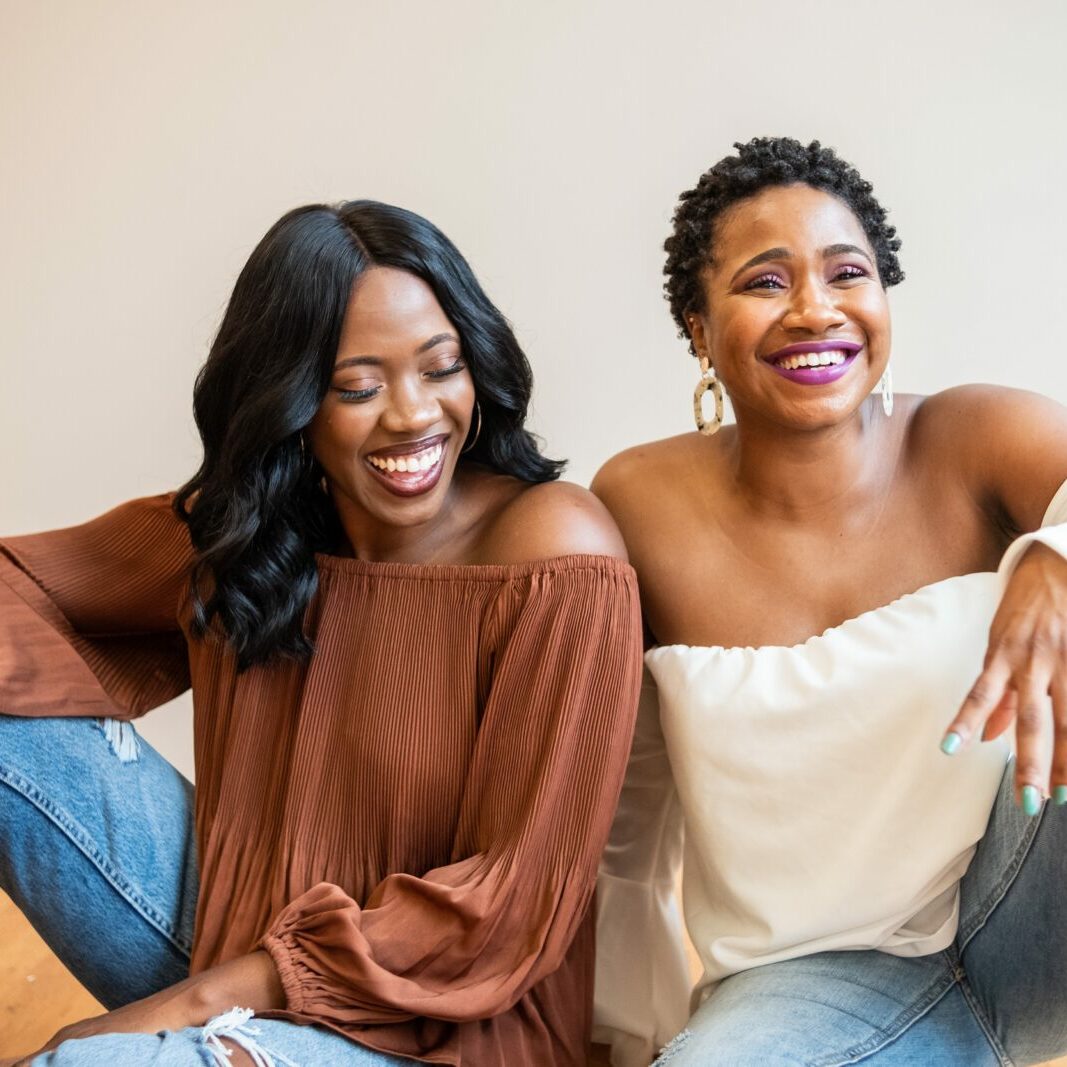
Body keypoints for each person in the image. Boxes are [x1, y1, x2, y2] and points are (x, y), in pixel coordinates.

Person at [0, 200, 643, 1066]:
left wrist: (188, 1005)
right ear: (293, 403)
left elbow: (509, 907)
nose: (413, 415)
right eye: (358, 387)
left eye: (440, 366)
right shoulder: (252, 536)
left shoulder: (556, 552)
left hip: (443, 1030)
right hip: (237, 938)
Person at [591, 138, 1067, 1066]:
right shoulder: (637, 503)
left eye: (847, 273)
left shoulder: (973, 436)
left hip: (1037, 898)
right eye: (765, 282)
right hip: (810, 979)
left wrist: (1053, 557)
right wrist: (622, 1031)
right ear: (697, 326)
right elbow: (627, 809)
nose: (815, 309)